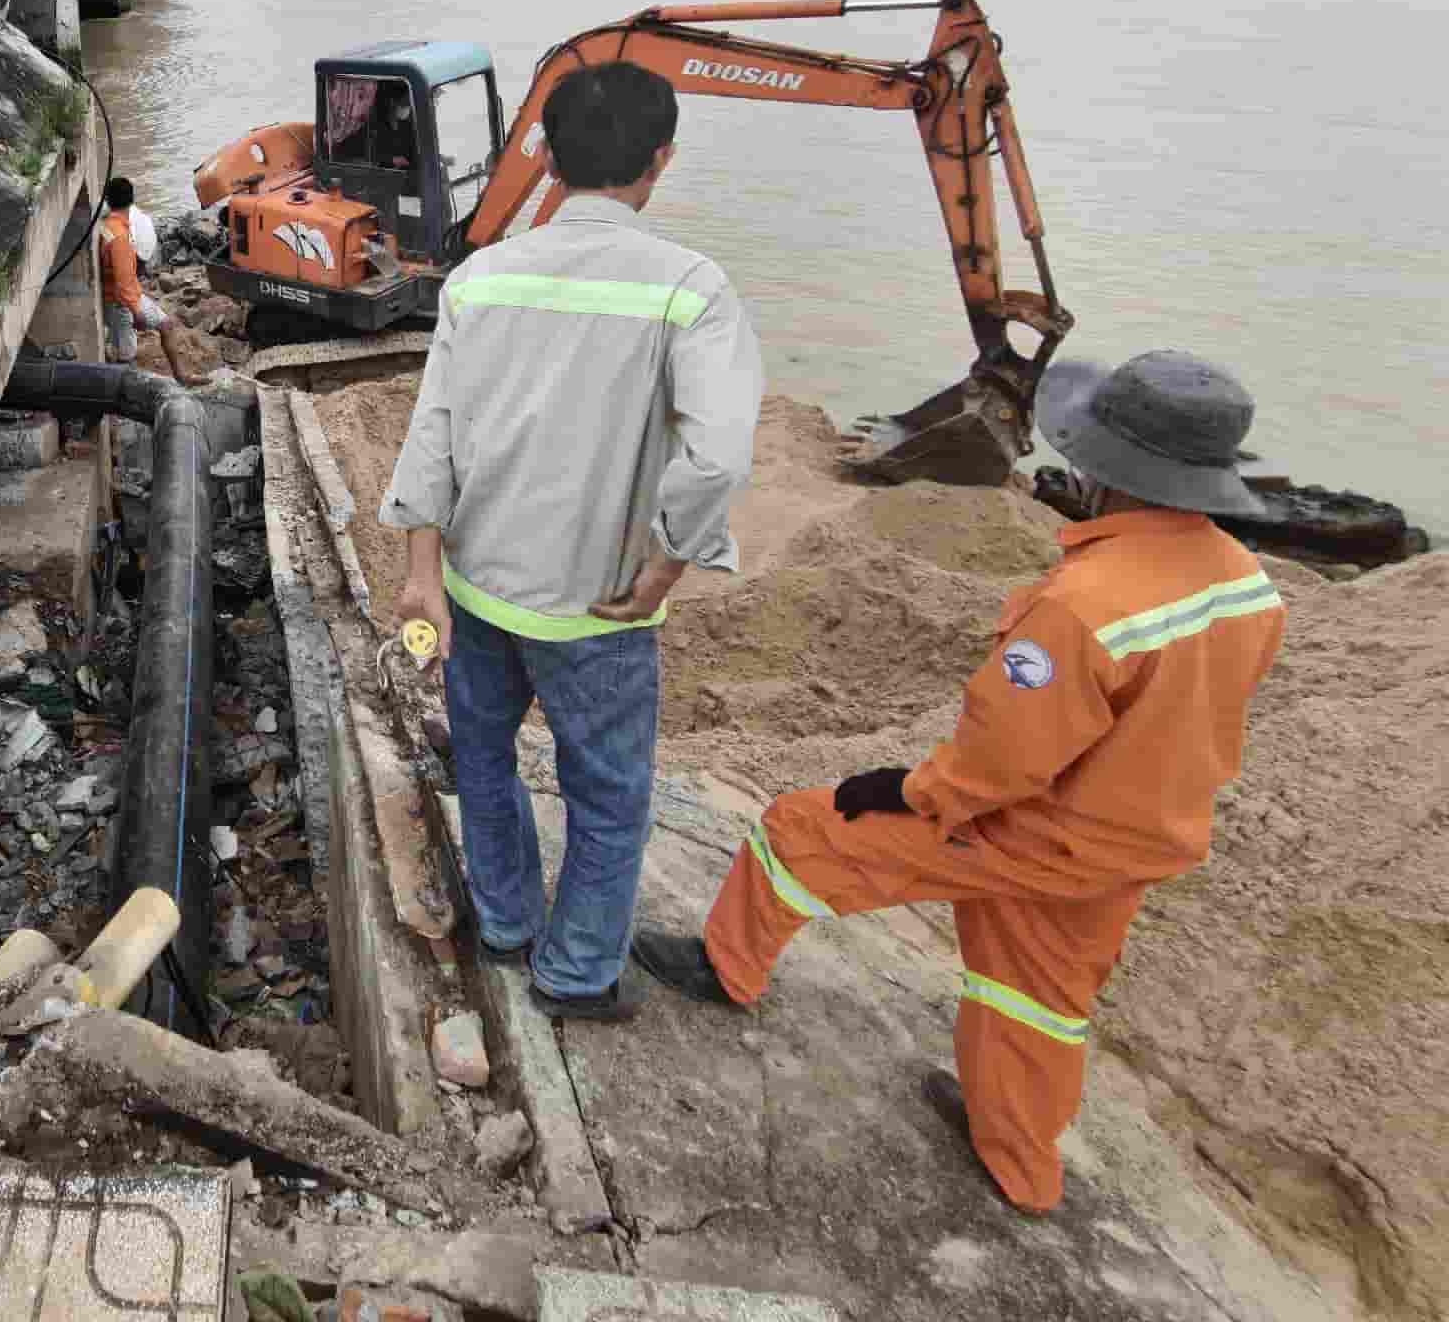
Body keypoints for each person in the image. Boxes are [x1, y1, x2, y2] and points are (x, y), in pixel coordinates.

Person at [633, 350, 1287, 1215]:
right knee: (1039, 997)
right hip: (1142, 841)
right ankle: (1019, 1162)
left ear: (1106, 469)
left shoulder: (1081, 606)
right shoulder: (1247, 583)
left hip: (1041, 827)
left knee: (801, 830)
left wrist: (907, 792)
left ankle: (725, 967)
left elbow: (1003, 762)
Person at [386, 60, 763, 1020]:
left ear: (545, 158)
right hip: (599, 610)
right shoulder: (691, 288)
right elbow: (717, 457)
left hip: (476, 589)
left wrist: (423, 572)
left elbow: (432, 431)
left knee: (483, 761)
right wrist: (670, 556)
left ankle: (507, 926)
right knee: (606, 798)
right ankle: (578, 972)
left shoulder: (478, 279)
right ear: (662, 160)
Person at [97, 176, 173, 362]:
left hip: (113, 299)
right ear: (132, 200)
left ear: (108, 200)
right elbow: (123, 283)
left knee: (125, 346)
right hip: (121, 303)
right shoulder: (121, 237)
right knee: (127, 356)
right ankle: (179, 376)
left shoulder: (106, 227)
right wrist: (136, 313)